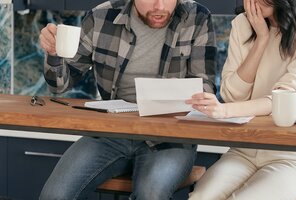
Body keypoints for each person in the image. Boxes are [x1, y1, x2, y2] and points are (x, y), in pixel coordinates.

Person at [38, 0, 216, 199]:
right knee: (54, 195)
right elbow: (60, 84)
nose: (160, 6)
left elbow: (205, 87)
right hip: (111, 132)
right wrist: (54, 55)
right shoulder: (101, 17)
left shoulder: (196, 17)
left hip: (171, 137)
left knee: (150, 195)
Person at [186, 0, 296, 199]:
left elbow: (286, 98)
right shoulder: (243, 24)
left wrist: (225, 110)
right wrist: (261, 39)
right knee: (199, 197)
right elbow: (232, 94)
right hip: (244, 150)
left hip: (293, 155)